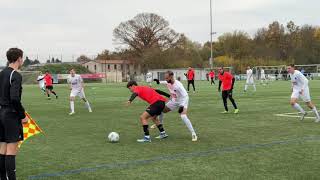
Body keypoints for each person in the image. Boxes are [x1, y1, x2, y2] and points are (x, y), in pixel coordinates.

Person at [0, 48, 29, 180]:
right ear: (19, 58)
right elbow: (15, 98)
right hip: (11, 115)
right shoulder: (15, 75)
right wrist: (22, 115)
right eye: (22, 58)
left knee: (2, 148)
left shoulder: (1, 73)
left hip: (1, 113)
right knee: (11, 150)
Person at [153, 71, 198, 142]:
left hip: (183, 100)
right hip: (174, 101)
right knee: (161, 110)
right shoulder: (168, 81)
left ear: (171, 77)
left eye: (167, 78)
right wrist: (159, 82)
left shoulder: (178, 85)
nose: (166, 79)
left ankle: (193, 133)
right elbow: (165, 82)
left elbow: (186, 96)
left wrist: (182, 106)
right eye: (165, 78)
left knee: (183, 116)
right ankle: (159, 124)